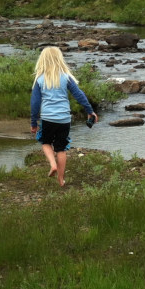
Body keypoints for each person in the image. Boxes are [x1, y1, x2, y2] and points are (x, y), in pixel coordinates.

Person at [30, 46, 98, 186]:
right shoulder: (66, 77)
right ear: (59, 59)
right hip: (64, 119)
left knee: (45, 142)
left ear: (42, 60)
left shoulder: (40, 79)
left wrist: (34, 122)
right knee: (61, 148)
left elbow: (35, 103)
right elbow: (79, 95)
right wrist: (89, 110)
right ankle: (61, 179)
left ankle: (52, 164)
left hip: (48, 118)